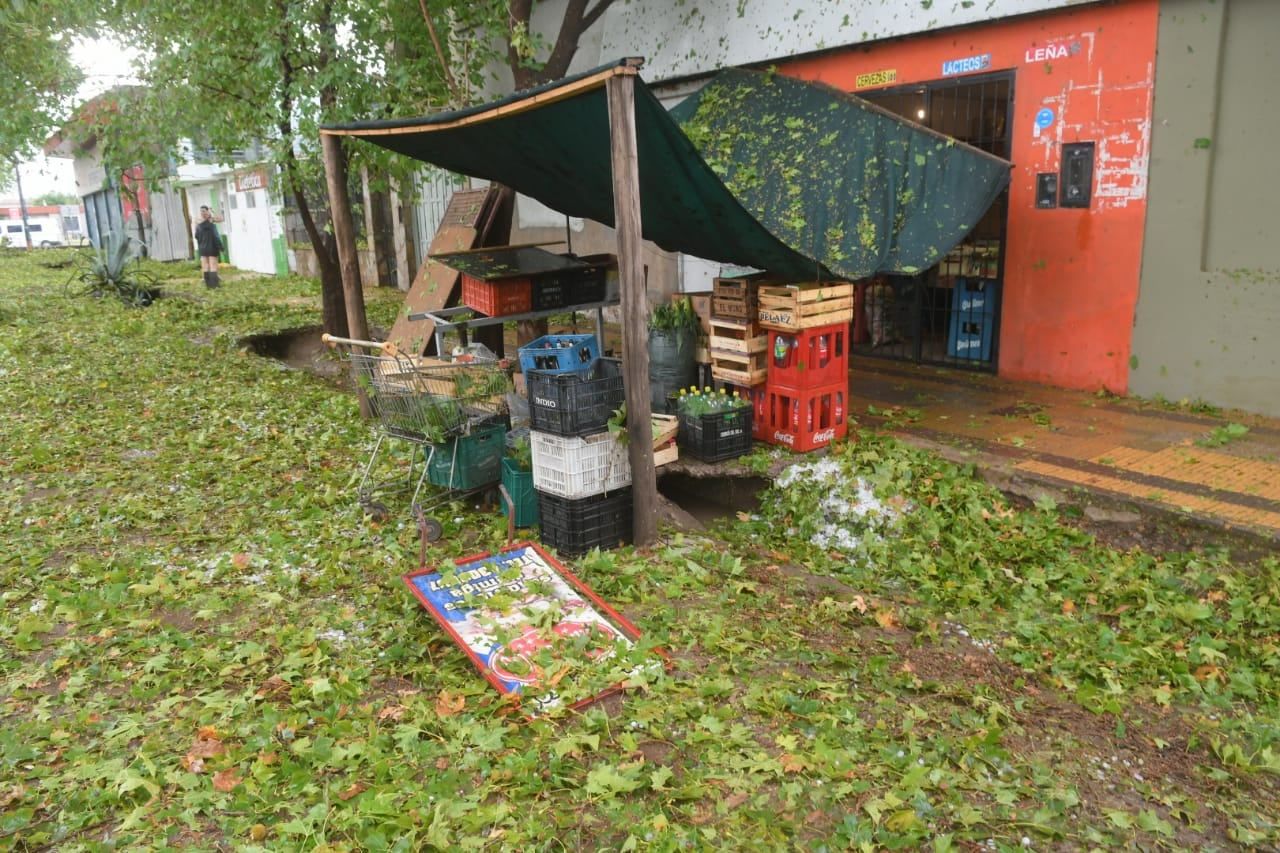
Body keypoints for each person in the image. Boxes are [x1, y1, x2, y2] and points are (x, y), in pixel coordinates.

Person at [194, 205, 224, 288]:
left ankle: (208, 285)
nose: (203, 213)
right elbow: (221, 219)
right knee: (213, 265)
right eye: (202, 211)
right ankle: (214, 286)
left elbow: (196, 236)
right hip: (212, 246)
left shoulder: (198, 223)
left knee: (206, 266)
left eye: (203, 211)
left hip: (203, 247)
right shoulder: (211, 222)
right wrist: (212, 212)